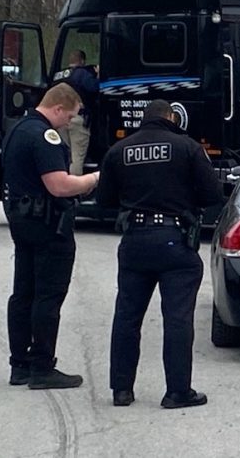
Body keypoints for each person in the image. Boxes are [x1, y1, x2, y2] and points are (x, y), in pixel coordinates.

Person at [94, 99, 223, 409]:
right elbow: (213, 195)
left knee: (127, 317)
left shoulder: (119, 150)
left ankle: (122, 390)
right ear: (170, 117)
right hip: (174, 241)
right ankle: (177, 391)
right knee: (177, 319)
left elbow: (104, 200)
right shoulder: (187, 147)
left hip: (135, 241)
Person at [3, 83, 101, 389]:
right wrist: (93, 179)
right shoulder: (46, 136)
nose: (68, 123)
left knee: (23, 293)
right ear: (57, 108)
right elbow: (58, 185)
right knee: (48, 296)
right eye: (69, 117)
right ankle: (42, 366)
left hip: (23, 221)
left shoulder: (18, 129)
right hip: (48, 225)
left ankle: (19, 364)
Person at [62, 50, 98, 176]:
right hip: (77, 119)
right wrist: (98, 75)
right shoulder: (82, 74)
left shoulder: (61, 75)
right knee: (77, 158)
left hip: (61, 120)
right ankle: (74, 191)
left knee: (66, 156)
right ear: (82, 61)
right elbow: (95, 88)